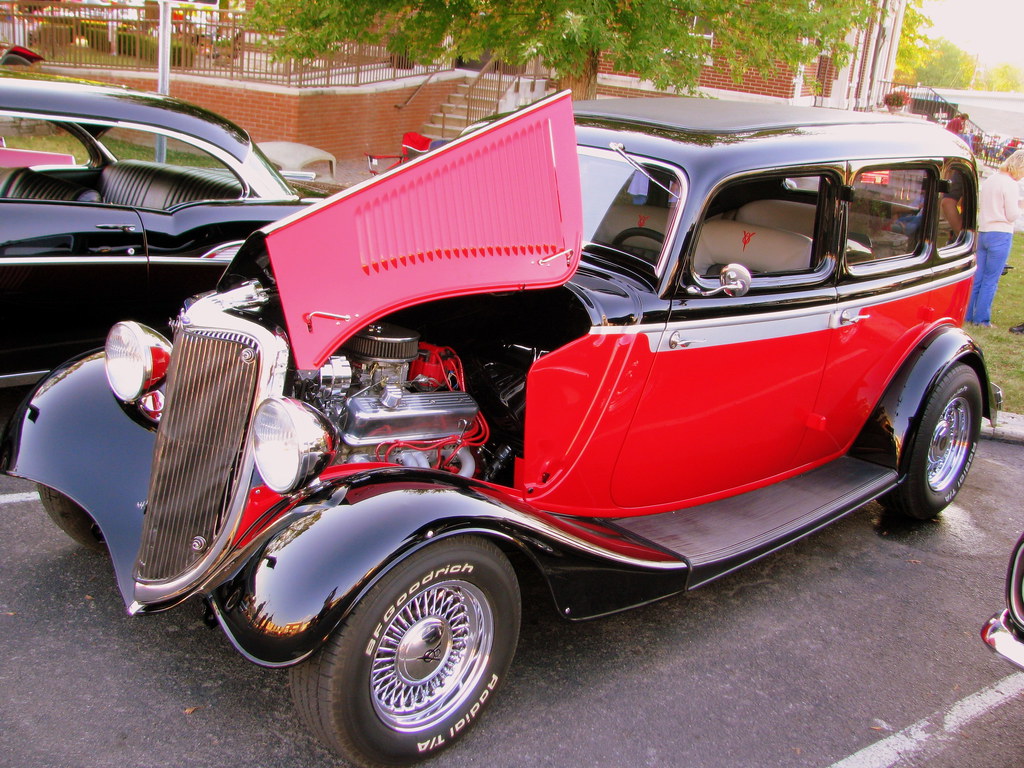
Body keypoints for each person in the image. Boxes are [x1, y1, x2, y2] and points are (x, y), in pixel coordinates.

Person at [966, 149, 1024, 327]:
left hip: (984, 230)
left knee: (978, 277)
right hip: (1001, 232)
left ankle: (968, 314)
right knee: (991, 279)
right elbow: (1011, 215)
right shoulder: (1010, 184)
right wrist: (1020, 207)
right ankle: (982, 319)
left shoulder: (991, 180)